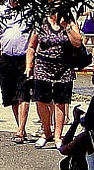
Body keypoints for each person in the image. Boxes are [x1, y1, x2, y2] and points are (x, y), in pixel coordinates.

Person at [26, 11, 84, 148]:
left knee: (60, 102)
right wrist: (29, 65)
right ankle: (46, 131)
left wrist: (66, 27)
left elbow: (78, 42)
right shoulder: (40, 22)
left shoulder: (69, 22)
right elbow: (31, 46)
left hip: (63, 66)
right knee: (40, 100)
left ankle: (58, 136)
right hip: (42, 65)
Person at [0, 0, 32, 142]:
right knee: (12, 96)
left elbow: (35, 36)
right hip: (6, 58)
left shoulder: (29, 12)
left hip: (24, 58)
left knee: (24, 93)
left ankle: (20, 130)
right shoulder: (0, 11)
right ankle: (21, 127)